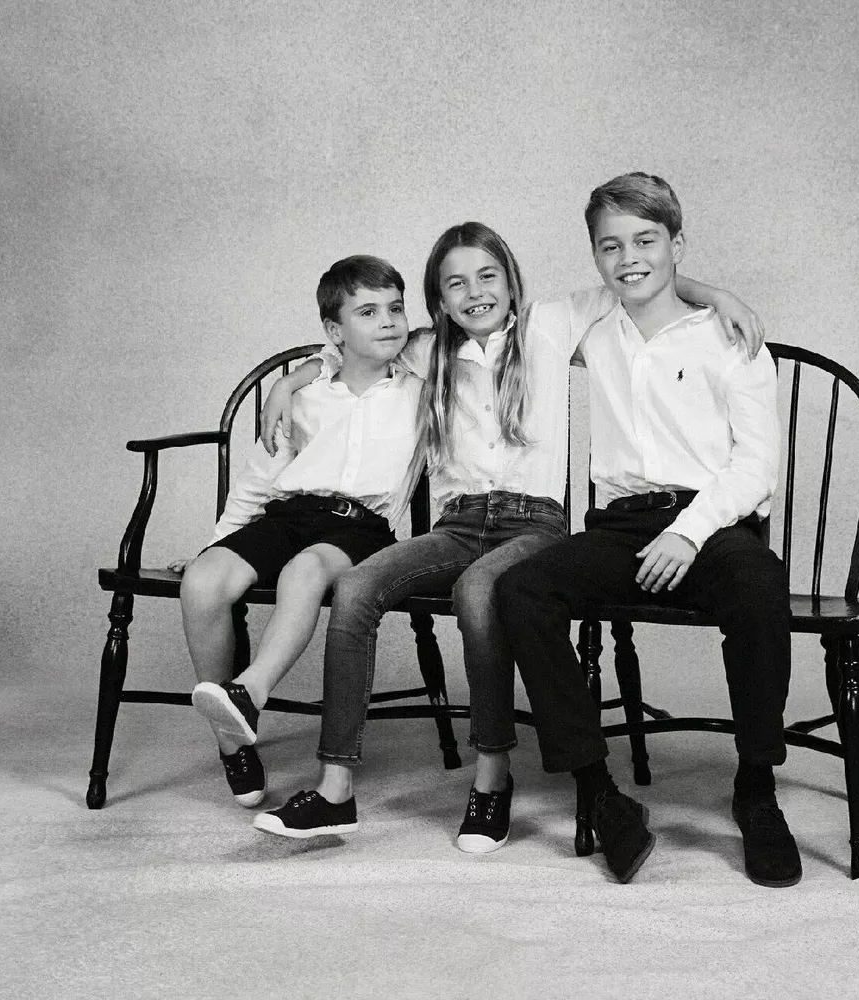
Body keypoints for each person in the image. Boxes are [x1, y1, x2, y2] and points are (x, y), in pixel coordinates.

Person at [251, 221, 763, 849]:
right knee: (356, 587)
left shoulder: (551, 324)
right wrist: (293, 378)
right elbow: (354, 346)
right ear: (439, 300)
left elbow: (636, 281)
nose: (475, 293)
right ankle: (335, 791)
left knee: (479, 590)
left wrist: (716, 296)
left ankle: (491, 781)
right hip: (458, 524)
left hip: (535, 524)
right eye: (456, 284)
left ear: (511, 281)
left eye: (487, 276)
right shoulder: (425, 350)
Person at [495, 172, 799, 888]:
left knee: (760, 582)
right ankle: (601, 793)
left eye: (646, 240)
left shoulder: (730, 337)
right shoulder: (589, 328)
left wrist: (689, 532)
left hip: (714, 521)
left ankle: (756, 789)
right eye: (611, 246)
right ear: (595, 256)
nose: (629, 258)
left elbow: (757, 466)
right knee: (521, 592)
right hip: (621, 526)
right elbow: (473, 322)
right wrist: (314, 370)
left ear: (677, 244)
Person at [178, 255, 422, 814]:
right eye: (368, 312)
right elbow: (261, 476)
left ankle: (249, 691)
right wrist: (218, 543)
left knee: (304, 570)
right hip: (289, 514)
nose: (388, 321)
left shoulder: (419, 387)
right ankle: (232, 740)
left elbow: (443, 342)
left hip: (361, 526)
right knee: (203, 582)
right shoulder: (308, 394)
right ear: (335, 331)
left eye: (395, 308)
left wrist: (297, 370)